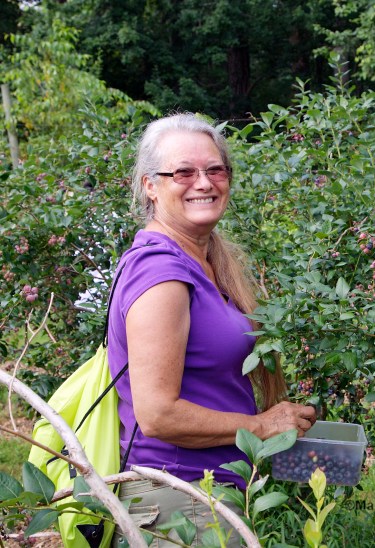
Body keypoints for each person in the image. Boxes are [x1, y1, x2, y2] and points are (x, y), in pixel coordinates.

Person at [107, 112, 316, 546]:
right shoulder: (162, 275)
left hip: (208, 492)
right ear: (150, 185)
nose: (203, 183)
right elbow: (159, 414)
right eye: (183, 171)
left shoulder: (204, 261)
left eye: (215, 169)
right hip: (178, 498)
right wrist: (261, 425)